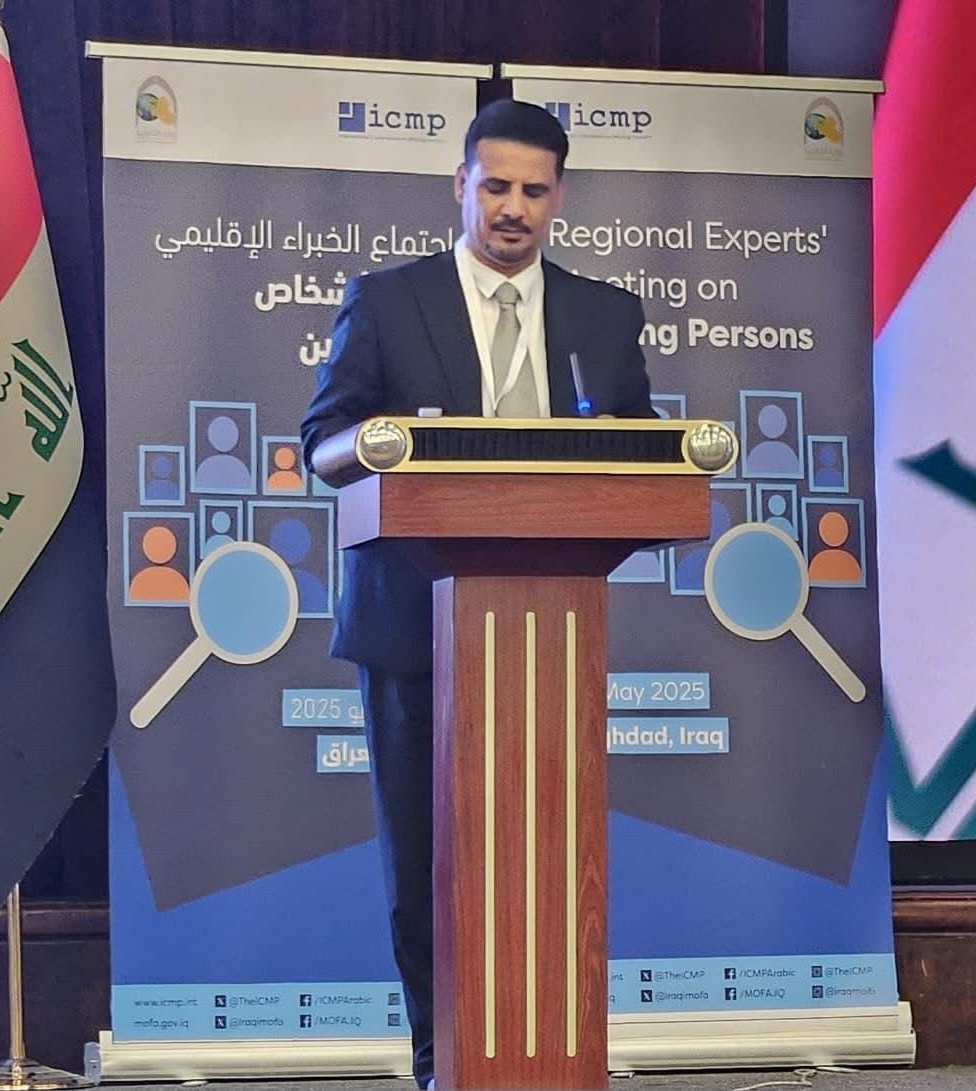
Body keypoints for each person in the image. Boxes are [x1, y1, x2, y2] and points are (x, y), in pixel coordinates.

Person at [299, 98, 654, 1089]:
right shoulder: (386, 301)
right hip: (413, 625)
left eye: (533, 191)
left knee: (548, 862)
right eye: (495, 186)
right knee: (430, 865)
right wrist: (383, 449)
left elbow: (643, 455)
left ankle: (551, 1059)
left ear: (559, 197)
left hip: (552, 631)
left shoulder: (605, 316)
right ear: (459, 185)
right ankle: (440, 1062)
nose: (512, 209)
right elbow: (321, 438)